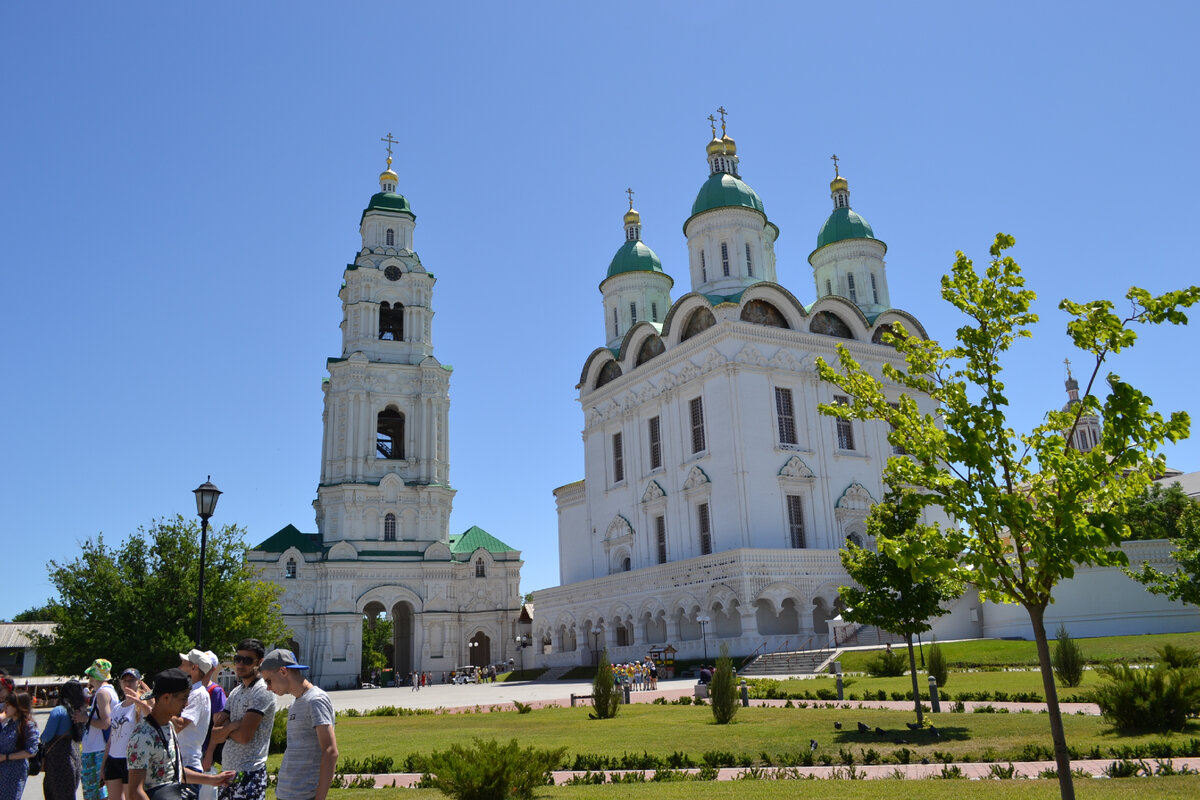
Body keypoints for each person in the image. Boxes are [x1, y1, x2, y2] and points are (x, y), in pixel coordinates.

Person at [126, 669, 233, 800]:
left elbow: (176, 773)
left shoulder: (169, 727)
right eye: (183, 698)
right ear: (166, 697)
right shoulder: (142, 736)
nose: (187, 703)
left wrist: (213, 780)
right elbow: (135, 792)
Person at [260, 650, 337, 800]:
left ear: (283, 671)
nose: (268, 687)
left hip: (305, 794)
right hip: (286, 793)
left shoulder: (316, 699)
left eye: (268, 680)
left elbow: (330, 751)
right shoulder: (296, 702)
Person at [204, 639, 274, 800]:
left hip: (249, 773)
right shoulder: (236, 691)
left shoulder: (262, 691)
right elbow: (216, 729)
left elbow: (244, 736)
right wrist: (233, 726)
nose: (241, 664)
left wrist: (226, 729)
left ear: (260, 662)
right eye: (238, 659)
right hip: (228, 771)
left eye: (247, 660)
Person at [105, 669, 152, 800]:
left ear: (138, 682)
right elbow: (111, 738)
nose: (128, 683)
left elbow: (152, 719)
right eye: (125, 680)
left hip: (130, 759)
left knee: (130, 796)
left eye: (131, 680)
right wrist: (104, 764)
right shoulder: (117, 708)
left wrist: (146, 701)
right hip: (113, 758)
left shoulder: (140, 706)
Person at [173, 651, 213, 800]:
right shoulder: (193, 692)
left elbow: (179, 725)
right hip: (182, 762)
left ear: (194, 668)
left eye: (184, 663)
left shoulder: (198, 694)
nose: (179, 666)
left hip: (188, 764)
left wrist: (157, 708)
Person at [40, 679, 87, 800]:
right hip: (74, 755)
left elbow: (46, 736)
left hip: (57, 758)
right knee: (69, 793)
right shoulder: (81, 712)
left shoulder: (59, 711)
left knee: (54, 793)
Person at [82, 659, 118, 800]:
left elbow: (106, 723)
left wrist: (84, 718)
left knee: (95, 794)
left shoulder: (103, 693)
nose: (89, 679)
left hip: (96, 749)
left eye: (90, 675)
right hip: (101, 747)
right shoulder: (110, 691)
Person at [0, 692, 39, 800]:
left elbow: (32, 750)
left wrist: (6, 757)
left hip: (15, 771)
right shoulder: (8, 724)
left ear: (18, 706)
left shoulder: (28, 725)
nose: (5, 707)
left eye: (8, 705)